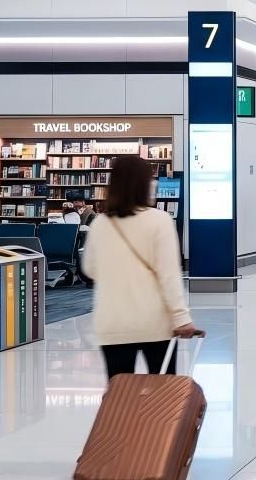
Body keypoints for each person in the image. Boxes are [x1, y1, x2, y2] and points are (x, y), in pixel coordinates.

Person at [84, 155, 201, 378]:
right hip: (154, 324)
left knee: (120, 398)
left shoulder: (100, 223)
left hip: (112, 324)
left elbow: (90, 269)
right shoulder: (160, 220)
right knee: (162, 397)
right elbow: (169, 276)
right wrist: (182, 317)